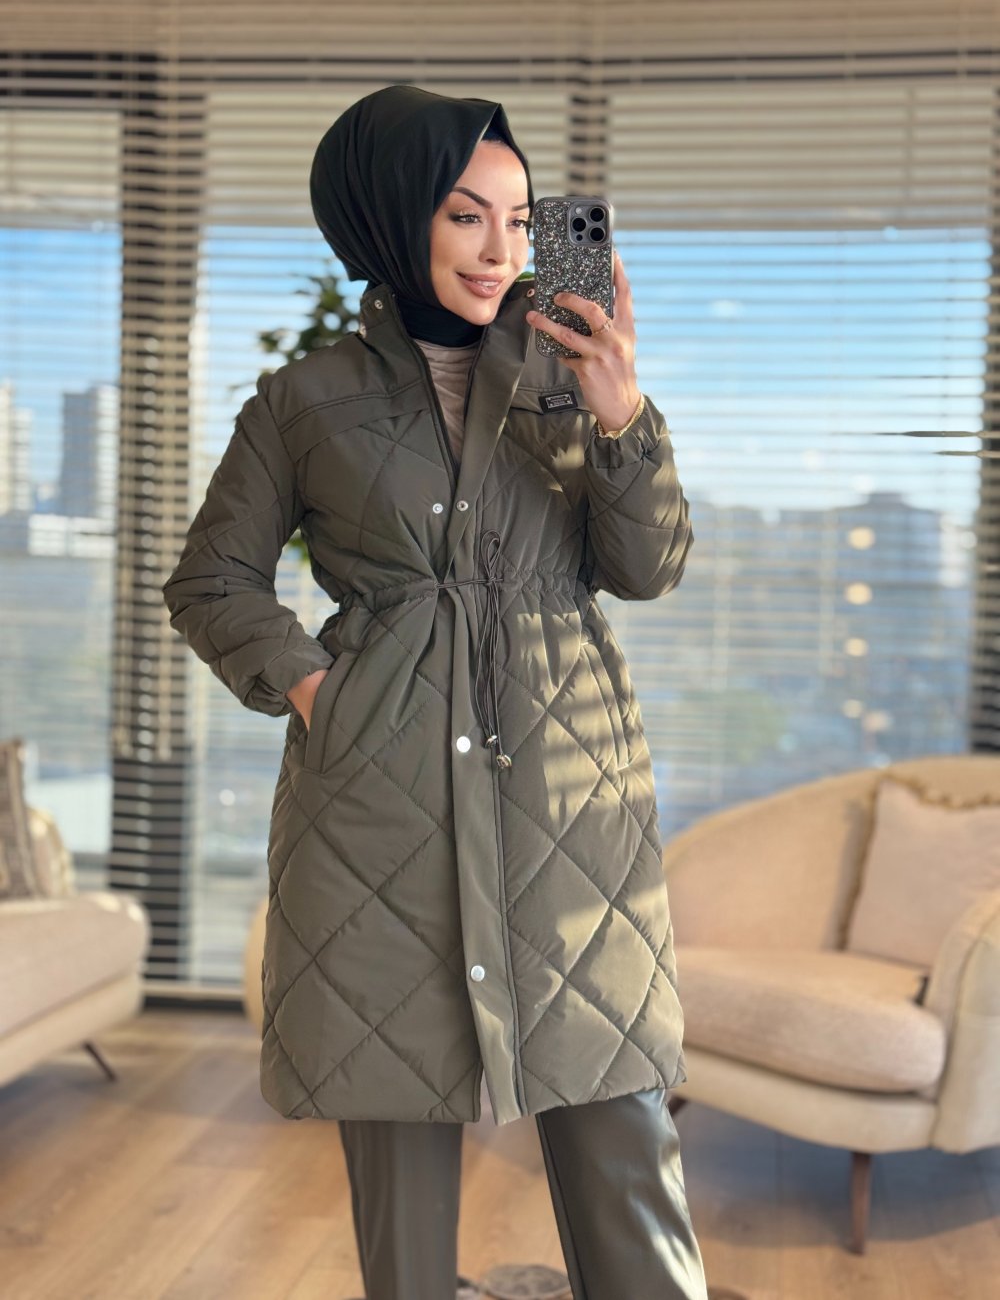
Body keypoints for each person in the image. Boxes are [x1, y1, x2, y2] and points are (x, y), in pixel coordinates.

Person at [162, 83, 708, 1300]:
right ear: (391, 213)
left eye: (518, 218)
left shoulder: (572, 377)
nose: (500, 248)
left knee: (619, 1124)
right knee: (395, 1112)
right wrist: (320, 690)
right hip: (381, 795)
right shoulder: (303, 400)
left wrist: (621, 412)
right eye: (465, 214)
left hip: (567, 794)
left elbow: (647, 568)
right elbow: (211, 579)